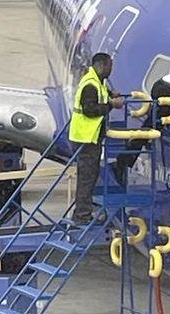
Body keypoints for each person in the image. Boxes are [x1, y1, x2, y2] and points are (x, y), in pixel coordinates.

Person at [69, 53, 124, 224]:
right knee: (87, 176)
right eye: (109, 66)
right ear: (101, 65)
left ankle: (82, 211)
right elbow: (89, 109)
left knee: (90, 175)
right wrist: (111, 105)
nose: (111, 69)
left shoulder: (96, 81)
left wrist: (110, 94)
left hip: (90, 138)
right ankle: (82, 215)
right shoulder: (90, 85)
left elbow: (100, 93)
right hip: (86, 138)